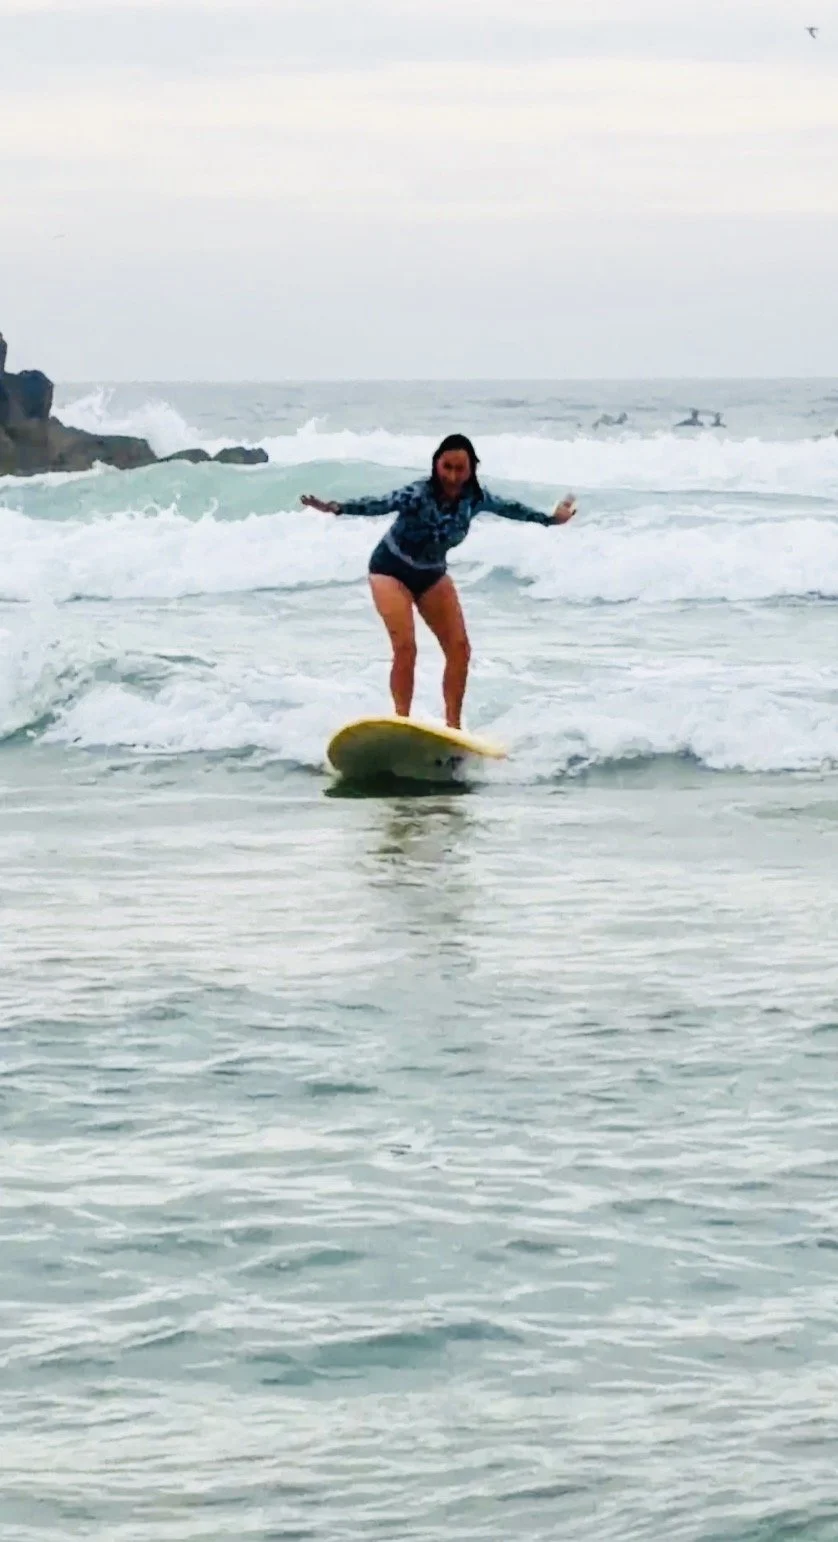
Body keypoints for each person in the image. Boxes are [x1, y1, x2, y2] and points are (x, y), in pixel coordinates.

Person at [301, 433, 576, 729]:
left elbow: (512, 509)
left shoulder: (476, 499)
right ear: (436, 465)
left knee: (460, 649)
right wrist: (337, 508)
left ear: (472, 470)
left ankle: (453, 728)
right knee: (406, 646)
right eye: (447, 467)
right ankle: (401, 722)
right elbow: (381, 503)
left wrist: (550, 519)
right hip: (390, 568)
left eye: (461, 469)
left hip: (431, 574)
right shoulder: (419, 494)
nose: (453, 476)